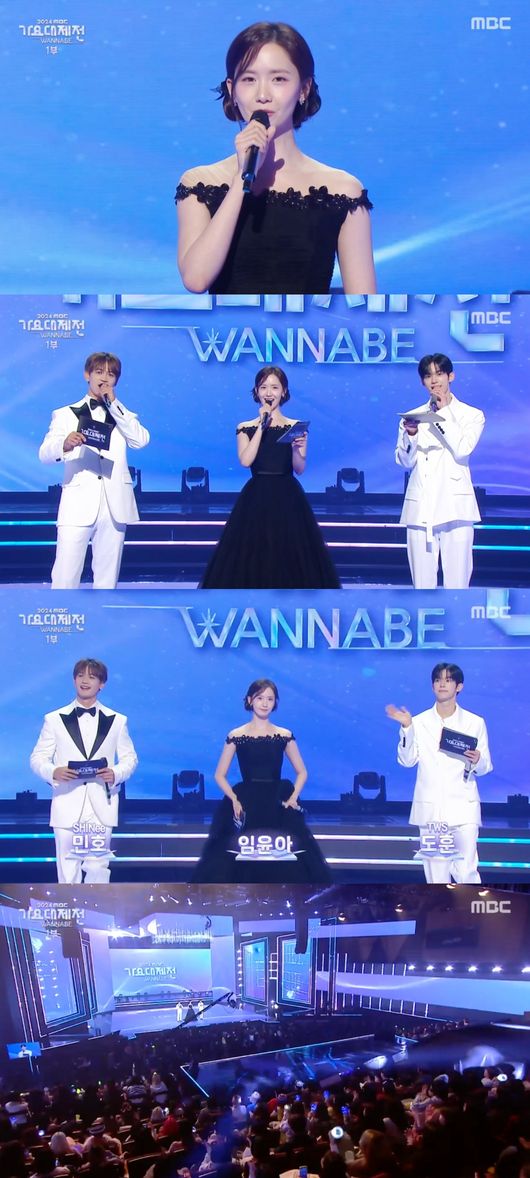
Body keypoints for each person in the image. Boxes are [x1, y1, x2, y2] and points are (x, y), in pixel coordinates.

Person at [176, 21, 375, 294]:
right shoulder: (200, 183)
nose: (262, 95)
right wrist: (241, 179)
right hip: (229, 325)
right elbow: (196, 280)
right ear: (232, 90)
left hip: (309, 325)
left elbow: (365, 308)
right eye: (249, 79)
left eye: (278, 79)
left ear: (304, 89)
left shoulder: (342, 190)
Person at [200, 366, 340, 587]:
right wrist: (261, 427)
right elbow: (246, 461)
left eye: (275, 387)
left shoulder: (295, 427)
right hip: (256, 497)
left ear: (284, 392)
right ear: (256, 392)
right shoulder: (245, 427)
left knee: (290, 554)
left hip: (288, 497)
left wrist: (297, 449)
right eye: (263, 387)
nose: (269, 392)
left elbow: (299, 468)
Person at [193, 678, 331, 882]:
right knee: (236, 856)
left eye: (270, 699)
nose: (265, 703)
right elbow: (219, 775)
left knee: (287, 857)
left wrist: (293, 798)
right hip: (247, 800)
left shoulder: (284, 735)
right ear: (250, 700)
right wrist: (234, 799)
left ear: (275, 703)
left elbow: (302, 772)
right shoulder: (236, 735)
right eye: (260, 698)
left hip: (278, 800)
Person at [39, 351, 150, 589]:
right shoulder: (65, 414)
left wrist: (115, 404)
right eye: (99, 372)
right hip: (77, 503)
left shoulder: (123, 415)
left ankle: (103, 613)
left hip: (114, 505)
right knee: (65, 575)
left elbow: (141, 441)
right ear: (87, 375)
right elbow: (45, 453)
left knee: (107, 579)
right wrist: (64, 444)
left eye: (111, 374)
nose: (104, 378)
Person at [29, 658, 138, 883]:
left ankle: (97, 904)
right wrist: (54, 771)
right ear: (74, 680)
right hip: (67, 801)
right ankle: (69, 907)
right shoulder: (54, 719)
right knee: (67, 870)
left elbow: (130, 758)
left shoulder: (117, 720)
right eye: (80, 675)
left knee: (98, 867)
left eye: (92, 676)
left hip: (101, 804)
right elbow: (37, 758)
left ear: (102, 684)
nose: (85, 681)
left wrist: (116, 773)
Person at [386, 662, 492, 883]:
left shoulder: (475, 722)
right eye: (437, 680)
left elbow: (485, 767)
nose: (442, 684)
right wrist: (406, 728)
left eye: (448, 680)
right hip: (431, 811)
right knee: (436, 876)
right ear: (433, 685)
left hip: (464, 808)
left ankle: (469, 905)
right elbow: (407, 761)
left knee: (466, 872)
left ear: (459, 686)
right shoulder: (418, 722)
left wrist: (477, 760)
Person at [395, 352, 485, 588]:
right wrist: (411, 435)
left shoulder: (472, 415)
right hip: (420, 508)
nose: (434, 380)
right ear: (422, 381)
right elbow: (405, 461)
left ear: (450, 376)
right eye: (428, 376)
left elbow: (463, 450)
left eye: (439, 374)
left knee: (457, 584)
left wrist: (442, 413)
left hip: (456, 508)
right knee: (422, 587)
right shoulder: (412, 416)